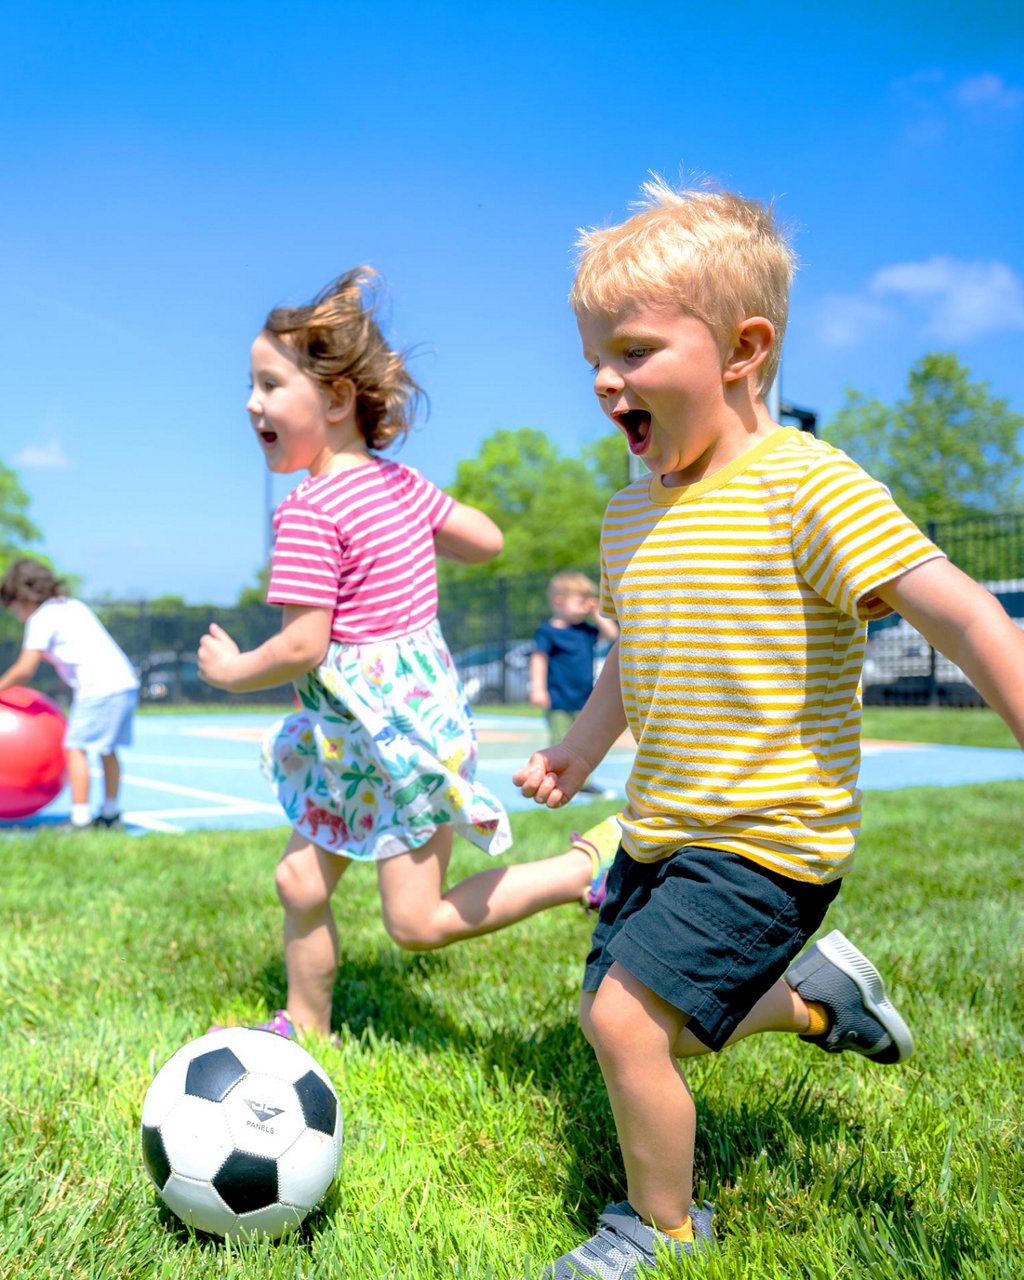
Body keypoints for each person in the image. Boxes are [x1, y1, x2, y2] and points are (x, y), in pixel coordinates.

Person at [513, 177, 1024, 1279]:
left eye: (636, 351)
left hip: (767, 839)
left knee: (623, 1023)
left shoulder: (809, 489)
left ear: (743, 349)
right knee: (681, 1023)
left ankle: (661, 1228)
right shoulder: (629, 510)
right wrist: (580, 746)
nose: (606, 380)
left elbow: (966, 612)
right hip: (659, 830)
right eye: (595, 356)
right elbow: (631, 653)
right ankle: (818, 1004)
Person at [198, 267, 621, 1041]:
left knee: (417, 923)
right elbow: (486, 540)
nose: (251, 404)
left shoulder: (309, 509)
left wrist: (230, 671)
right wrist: (419, 517)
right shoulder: (401, 484)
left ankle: (581, 871)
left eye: (267, 384)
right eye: (250, 386)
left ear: (332, 401)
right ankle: (308, 1033)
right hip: (370, 730)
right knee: (299, 879)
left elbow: (302, 643)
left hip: (394, 738)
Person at [0, 558, 139, 830]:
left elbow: (25, 669)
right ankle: (110, 814)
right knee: (107, 749)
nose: (15, 613)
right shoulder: (72, 606)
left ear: (24, 595)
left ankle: (80, 818)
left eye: (14, 605)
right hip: (124, 682)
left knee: (75, 747)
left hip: (99, 687)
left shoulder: (41, 618)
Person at [530, 570, 618, 796]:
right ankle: (558, 780)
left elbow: (613, 635)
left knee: (585, 740)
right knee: (562, 740)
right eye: (581, 602)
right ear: (559, 601)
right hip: (559, 697)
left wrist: (597, 612)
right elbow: (539, 658)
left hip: (584, 697)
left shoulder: (584, 631)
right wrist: (538, 688)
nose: (585, 607)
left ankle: (583, 782)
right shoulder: (548, 632)